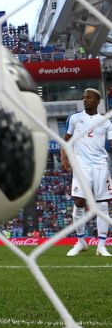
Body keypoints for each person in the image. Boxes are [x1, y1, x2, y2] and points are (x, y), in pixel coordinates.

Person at [62, 88, 112, 257]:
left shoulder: (106, 121)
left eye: (89, 98)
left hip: (101, 167)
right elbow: (66, 140)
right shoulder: (75, 118)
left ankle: (101, 245)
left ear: (98, 101)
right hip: (81, 166)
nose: (85, 100)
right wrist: (64, 158)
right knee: (79, 201)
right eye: (84, 98)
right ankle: (81, 242)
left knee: (103, 205)